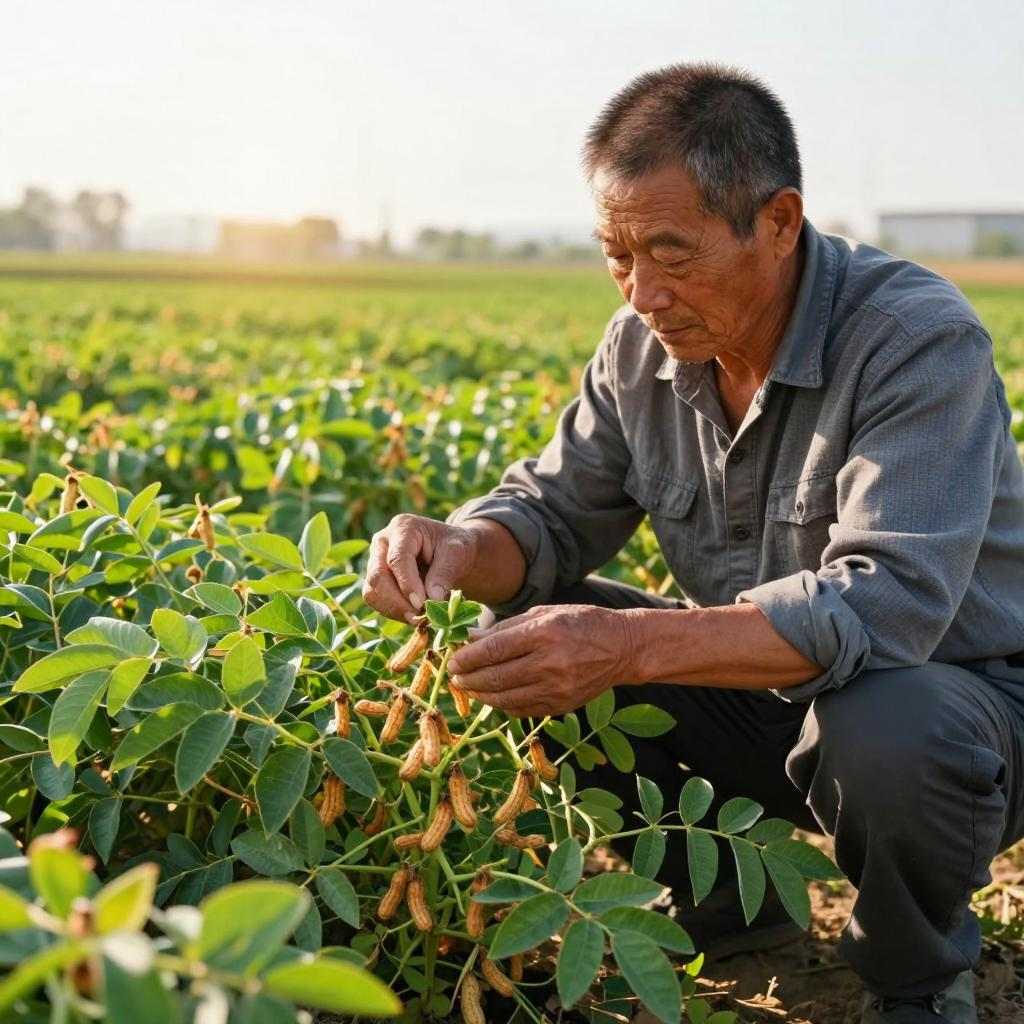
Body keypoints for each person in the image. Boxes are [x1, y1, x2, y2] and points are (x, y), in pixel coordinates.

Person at [361, 62, 1024, 1024]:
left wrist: (627, 642)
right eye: (616, 256)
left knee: (886, 724)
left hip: (965, 719)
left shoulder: (913, 340)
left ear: (780, 221)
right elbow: (547, 515)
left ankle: (916, 977)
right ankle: (730, 902)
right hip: (772, 700)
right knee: (520, 627)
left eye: (671, 253)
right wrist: (457, 548)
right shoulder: (641, 347)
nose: (642, 293)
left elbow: (885, 608)